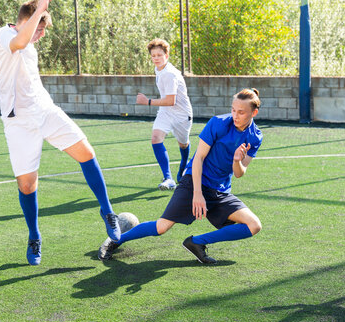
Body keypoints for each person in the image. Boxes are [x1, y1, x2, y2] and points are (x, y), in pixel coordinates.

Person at [0, 0, 122, 266]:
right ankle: (34, 236)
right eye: (39, 28)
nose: (41, 34)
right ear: (27, 21)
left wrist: (40, 17)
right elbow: (20, 40)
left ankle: (108, 212)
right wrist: (40, 8)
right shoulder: (5, 36)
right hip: (19, 123)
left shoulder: (31, 45)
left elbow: (27, 49)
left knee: (86, 152)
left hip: (46, 111)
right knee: (27, 185)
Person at [99, 89, 263, 264]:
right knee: (162, 227)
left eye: (241, 112)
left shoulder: (255, 136)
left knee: (254, 225)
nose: (235, 115)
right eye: (233, 110)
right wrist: (198, 194)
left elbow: (239, 173)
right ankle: (115, 240)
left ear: (254, 112)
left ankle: (196, 243)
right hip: (194, 182)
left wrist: (237, 160)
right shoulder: (218, 123)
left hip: (220, 191)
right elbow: (199, 158)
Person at [135, 39, 193, 190]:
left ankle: (183, 165)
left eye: (159, 55)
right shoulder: (158, 69)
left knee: (183, 143)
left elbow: (170, 101)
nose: (156, 58)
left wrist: (147, 101)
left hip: (181, 114)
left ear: (167, 55)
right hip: (166, 113)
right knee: (155, 139)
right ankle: (168, 178)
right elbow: (167, 104)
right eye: (153, 55)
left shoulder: (169, 74)